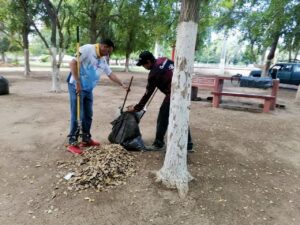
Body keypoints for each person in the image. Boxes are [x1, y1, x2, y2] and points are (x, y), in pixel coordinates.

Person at [67, 39, 127, 154]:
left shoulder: (102, 59)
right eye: (108, 51)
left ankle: (86, 139)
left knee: (88, 114)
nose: (108, 54)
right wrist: (78, 82)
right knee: (77, 114)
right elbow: (73, 63)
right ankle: (72, 142)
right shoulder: (87, 49)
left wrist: (121, 84)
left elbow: (110, 73)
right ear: (103, 46)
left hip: (88, 89)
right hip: (77, 87)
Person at [128, 51, 193, 151]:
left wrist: (137, 108)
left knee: (163, 116)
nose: (144, 67)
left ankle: (158, 143)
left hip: (174, 94)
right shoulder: (163, 59)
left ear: (148, 62)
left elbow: (147, 94)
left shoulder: (154, 73)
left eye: (143, 65)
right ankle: (188, 144)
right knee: (181, 116)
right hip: (185, 89)